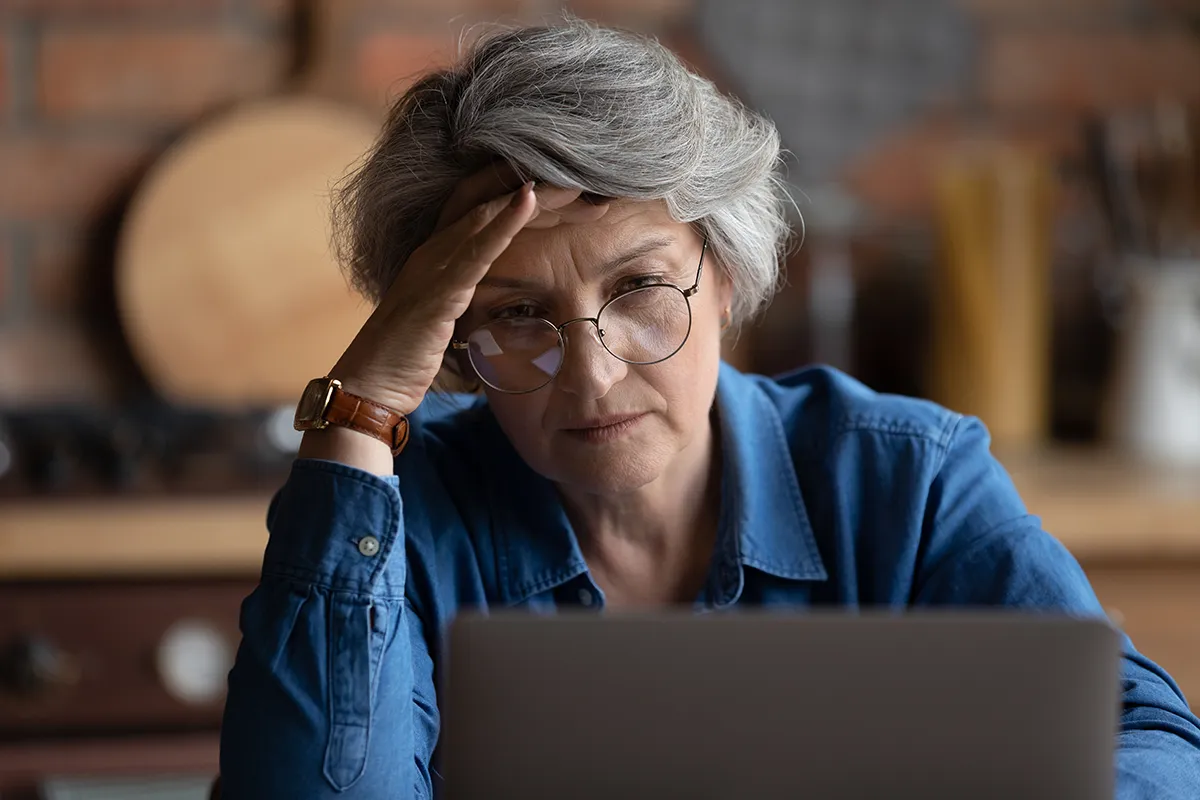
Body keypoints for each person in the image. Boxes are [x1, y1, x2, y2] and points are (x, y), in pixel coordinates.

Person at [217, 17, 1200, 799]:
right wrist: (360, 410)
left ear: (725, 277)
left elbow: (1153, 741)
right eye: (517, 314)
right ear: (455, 346)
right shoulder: (399, 512)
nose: (592, 376)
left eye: (641, 287)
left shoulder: (906, 479)